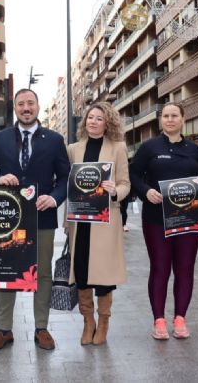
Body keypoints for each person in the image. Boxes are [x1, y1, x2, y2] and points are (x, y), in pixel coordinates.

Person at [0, 88, 70, 352]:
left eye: (30, 103)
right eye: (21, 104)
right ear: (15, 108)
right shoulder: (0, 139)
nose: (26, 108)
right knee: (7, 271)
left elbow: (65, 177)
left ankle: (41, 328)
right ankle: (5, 329)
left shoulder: (54, 140)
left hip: (42, 216)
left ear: (38, 106)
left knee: (42, 272)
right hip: (8, 218)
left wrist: (54, 198)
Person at [129, 103, 198, 340]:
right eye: (165, 116)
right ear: (161, 121)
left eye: (174, 115)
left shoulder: (193, 149)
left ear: (183, 119)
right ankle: (159, 320)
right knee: (160, 268)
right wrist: (146, 191)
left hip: (189, 219)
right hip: (156, 219)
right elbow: (133, 174)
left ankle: (180, 319)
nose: (169, 119)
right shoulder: (149, 147)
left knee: (185, 269)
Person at [65, 102, 130, 346]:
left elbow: (125, 183)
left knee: (104, 275)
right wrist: (66, 221)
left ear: (107, 123)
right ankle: (88, 322)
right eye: (90, 117)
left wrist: (115, 192)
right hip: (81, 221)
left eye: (99, 118)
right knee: (82, 272)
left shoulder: (118, 148)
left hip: (105, 221)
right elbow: (69, 184)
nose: (93, 121)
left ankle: (103, 323)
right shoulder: (73, 149)